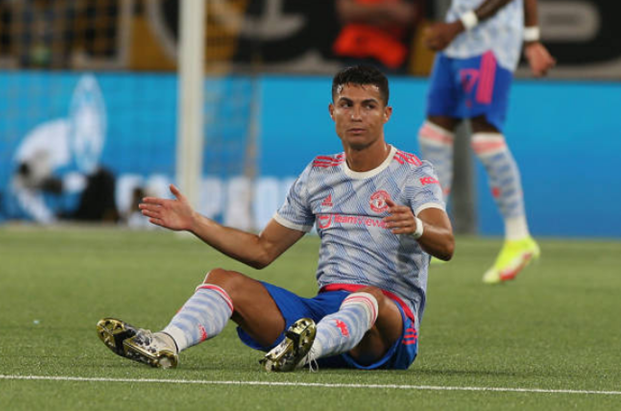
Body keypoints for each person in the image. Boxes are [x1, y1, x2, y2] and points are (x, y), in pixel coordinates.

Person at [96, 65, 454, 371]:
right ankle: (165, 343)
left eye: (368, 106)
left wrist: (418, 227)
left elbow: (447, 244)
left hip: (388, 326)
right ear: (332, 111)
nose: (357, 115)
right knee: (223, 280)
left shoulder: (414, 173)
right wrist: (195, 222)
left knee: (368, 296)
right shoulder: (319, 173)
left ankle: (304, 350)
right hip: (325, 318)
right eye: (347, 105)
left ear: (386, 114)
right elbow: (262, 250)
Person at [417, 0, 555, 283]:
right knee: (434, 134)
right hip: (455, 42)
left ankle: (519, 239)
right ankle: (434, 233)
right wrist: (532, 40)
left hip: (490, 44)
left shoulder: (463, 29)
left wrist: (457, 25)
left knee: (485, 140)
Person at [333, 0, 419, 73]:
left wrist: (364, 15)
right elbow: (347, 11)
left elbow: (407, 15)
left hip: (391, 58)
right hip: (353, 53)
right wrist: (386, 10)